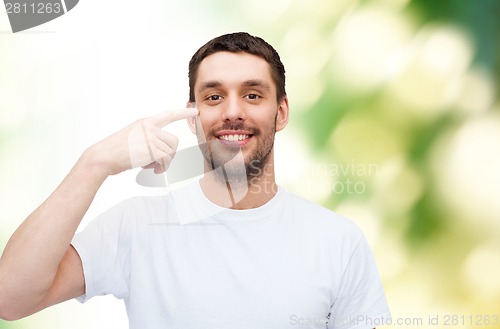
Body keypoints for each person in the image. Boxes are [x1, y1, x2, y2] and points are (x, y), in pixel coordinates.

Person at [0, 32, 391, 328]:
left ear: (282, 112)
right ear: (193, 115)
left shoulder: (337, 241)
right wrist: (94, 163)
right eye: (214, 97)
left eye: (253, 95)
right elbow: (10, 298)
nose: (232, 112)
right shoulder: (137, 226)